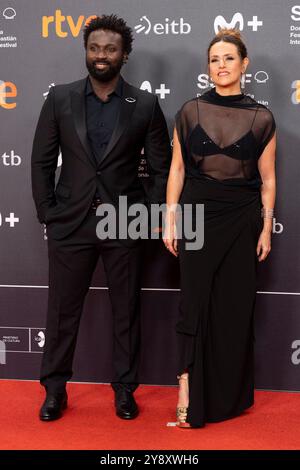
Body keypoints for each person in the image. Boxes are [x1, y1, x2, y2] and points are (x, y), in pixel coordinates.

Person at [31, 14, 171, 421]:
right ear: (86, 53)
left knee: (126, 311)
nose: (101, 55)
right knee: (61, 310)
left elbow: (161, 168)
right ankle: (54, 389)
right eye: (94, 48)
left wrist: (146, 213)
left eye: (110, 49)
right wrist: (47, 212)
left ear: (124, 54)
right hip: (69, 223)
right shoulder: (60, 98)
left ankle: (125, 391)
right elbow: (41, 161)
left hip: (124, 223)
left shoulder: (143, 104)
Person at [163, 28, 276, 428]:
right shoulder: (190, 110)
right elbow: (177, 169)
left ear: (244, 64)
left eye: (229, 58)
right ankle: (187, 389)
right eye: (214, 59)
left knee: (232, 307)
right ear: (207, 66)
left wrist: (265, 228)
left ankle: (227, 396)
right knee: (193, 303)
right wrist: (170, 216)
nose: (221, 66)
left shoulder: (262, 118)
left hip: (243, 218)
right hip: (196, 213)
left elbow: (268, 179)